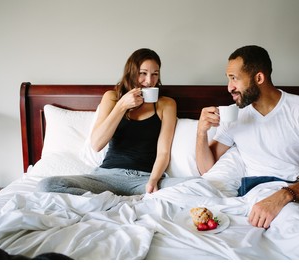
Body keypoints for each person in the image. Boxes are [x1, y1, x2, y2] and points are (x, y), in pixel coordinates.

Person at [196, 45, 299, 229]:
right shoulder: (235, 115)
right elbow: (207, 169)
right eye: (228, 79)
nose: (229, 87)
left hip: (295, 190)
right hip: (254, 194)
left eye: (234, 78)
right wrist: (201, 133)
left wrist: (283, 196)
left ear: (259, 78)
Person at [38, 48, 187, 196]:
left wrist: (153, 181)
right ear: (131, 72)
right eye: (143, 73)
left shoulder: (166, 104)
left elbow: (163, 152)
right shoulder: (112, 98)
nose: (149, 81)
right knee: (47, 185)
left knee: (198, 185)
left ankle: (103, 202)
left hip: (144, 180)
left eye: (155, 74)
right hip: (106, 178)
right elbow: (96, 144)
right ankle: (111, 202)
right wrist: (122, 105)